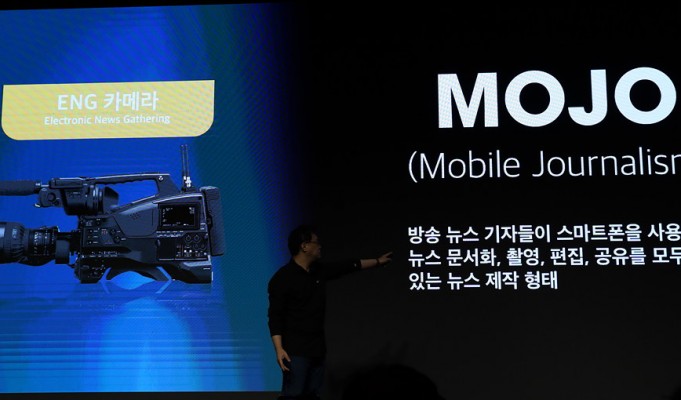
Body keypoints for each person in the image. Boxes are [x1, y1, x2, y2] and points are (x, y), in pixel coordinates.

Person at [267, 224, 392, 400]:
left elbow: (349, 266)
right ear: (304, 246)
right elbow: (275, 316)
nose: (320, 246)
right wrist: (279, 349)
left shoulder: (318, 272)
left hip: (317, 349)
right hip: (295, 351)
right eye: (316, 242)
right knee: (293, 394)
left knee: (313, 395)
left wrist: (377, 262)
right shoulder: (282, 278)